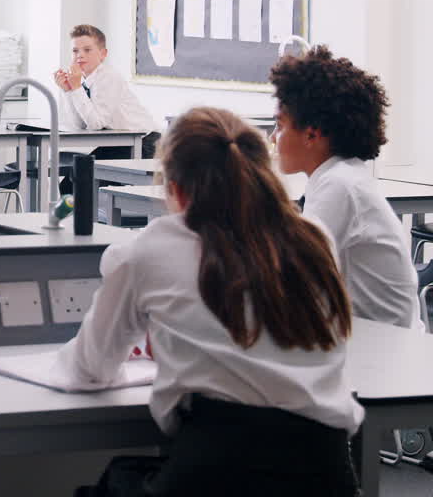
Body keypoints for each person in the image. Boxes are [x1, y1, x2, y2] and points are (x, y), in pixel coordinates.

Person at [62, 107, 360, 496]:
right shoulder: (313, 238)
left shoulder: (152, 246)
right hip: (327, 476)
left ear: (177, 188)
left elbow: (90, 369)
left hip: (214, 474)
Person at [270, 46, 421, 328]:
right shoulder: (341, 177)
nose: (273, 138)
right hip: (370, 337)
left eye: (279, 126)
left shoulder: (340, 186)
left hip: (381, 347)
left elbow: (292, 277)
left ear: (311, 134)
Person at [53, 24, 159, 157]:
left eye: (87, 50)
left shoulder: (109, 77)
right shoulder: (84, 81)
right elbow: (79, 124)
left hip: (144, 143)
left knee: (84, 169)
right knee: (80, 169)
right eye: (75, 51)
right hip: (120, 142)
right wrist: (68, 91)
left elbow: (96, 124)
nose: (79, 55)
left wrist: (76, 89)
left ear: (103, 54)